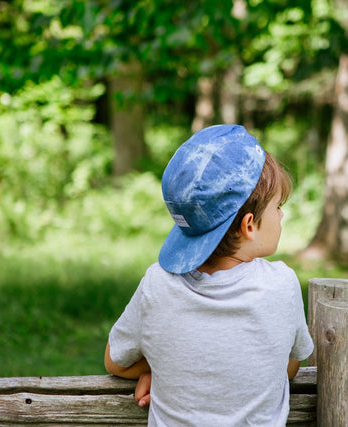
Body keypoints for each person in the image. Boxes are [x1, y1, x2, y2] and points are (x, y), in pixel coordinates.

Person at [104, 124, 314, 426]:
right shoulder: (282, 285)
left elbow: (115, 361)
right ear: (249, 225)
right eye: (277, 206)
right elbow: (287, 366)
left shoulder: (158, 284)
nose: (281, 215)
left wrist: (167, 369)